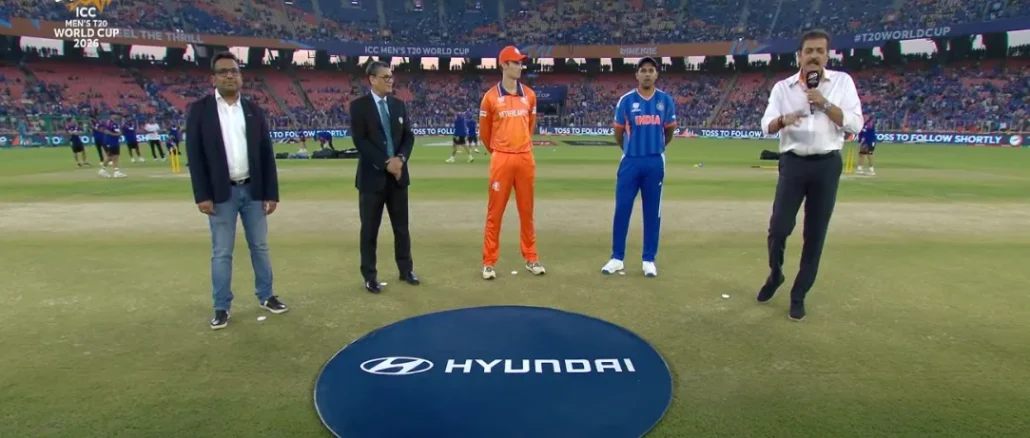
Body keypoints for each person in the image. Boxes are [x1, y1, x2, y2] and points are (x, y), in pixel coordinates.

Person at [757, 29, 863, 321]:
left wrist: (825, 104)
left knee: (814, 234)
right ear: (799, 56)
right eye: (809, 51)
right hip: (792, 163)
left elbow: (854, 124)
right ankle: (775, 274)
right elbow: (765, 125)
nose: (814, 56)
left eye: (820, 51)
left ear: (827, 55)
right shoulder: (783, 88)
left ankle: (798, 294)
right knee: (778, 228)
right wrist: (783, 120)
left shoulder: (842, 83)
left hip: (827, 165)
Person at [186, 51, 288, 330]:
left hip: (253, 190)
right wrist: (202, 195)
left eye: (234, 70)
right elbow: (194, 156)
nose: (230, 75)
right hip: (221, 194)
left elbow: (266, 154)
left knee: (260, 247)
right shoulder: (200, 110)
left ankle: (266, 295)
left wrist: (271, 192)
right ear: (213, 78)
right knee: (222, 252)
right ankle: (221, 306)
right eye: (223, 71)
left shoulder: (254, 109)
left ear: (240, 76)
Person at [601, 57, 677, 277]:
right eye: (642, 70)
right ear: (636, 74)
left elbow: (669, 131)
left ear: (656, 74)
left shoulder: (665, 100)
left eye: (651, 70)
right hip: (630, 161)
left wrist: (658, 147)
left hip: (655, 161)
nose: (646, 74)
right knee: (622, 208)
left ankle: (648, 259)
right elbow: (618, 133)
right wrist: (630, 149)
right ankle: (617, 258)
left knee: (652, 212)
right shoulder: (626, 101)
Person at [349, 60, 419, 293]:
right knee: (369, 229)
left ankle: (406, 269)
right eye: (386, 77)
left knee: (402, 228)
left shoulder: (399, 105)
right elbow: (360, 141)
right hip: (372, 179)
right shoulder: (359, 106)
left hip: (398, 177)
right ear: (372, 79)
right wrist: (385, 163)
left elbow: (409, 137)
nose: (391, 80)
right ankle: (369, 275)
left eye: (391, 76)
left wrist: (400, 159)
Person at [479, 45, 546, 279]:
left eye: (520, 63)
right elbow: (485, 134)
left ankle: (531, 258)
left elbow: (530, 126)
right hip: (501, 159)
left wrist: (519, 148)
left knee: (526, 212)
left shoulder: (529, 95)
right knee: (495, 212)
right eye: (516, 63)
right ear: (504, 65)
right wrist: (501, 151)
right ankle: (489, 262)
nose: (520, 66)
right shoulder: (490, 97)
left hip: (525, 158)